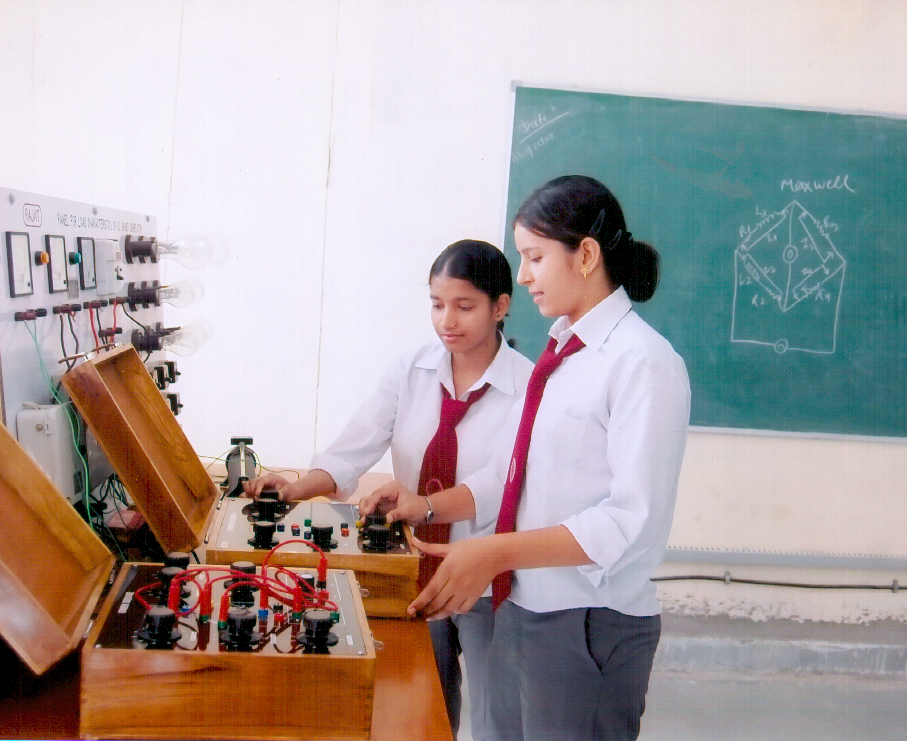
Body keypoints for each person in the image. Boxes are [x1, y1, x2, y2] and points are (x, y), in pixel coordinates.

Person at [359, 176, 691, 741]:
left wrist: (494, 552)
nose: (524, 275)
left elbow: (630, 521)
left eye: (535, 257)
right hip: (523, 605)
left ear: (586, 255)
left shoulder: (642, 362)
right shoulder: (564, 353)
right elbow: (515, 475)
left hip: (587, 619)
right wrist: (430, 507)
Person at [245, 239, 534, 739]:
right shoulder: (411, 369)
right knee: (421, 705)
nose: (447, 320)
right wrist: (296, 488)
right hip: (415, 569)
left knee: (497, 720)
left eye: (464, 306)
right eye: (437, 304)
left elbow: (502, 482)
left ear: (500, 306)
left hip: (487, 577)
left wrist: (425, 505)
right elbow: (353, 448)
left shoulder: (530, 386)